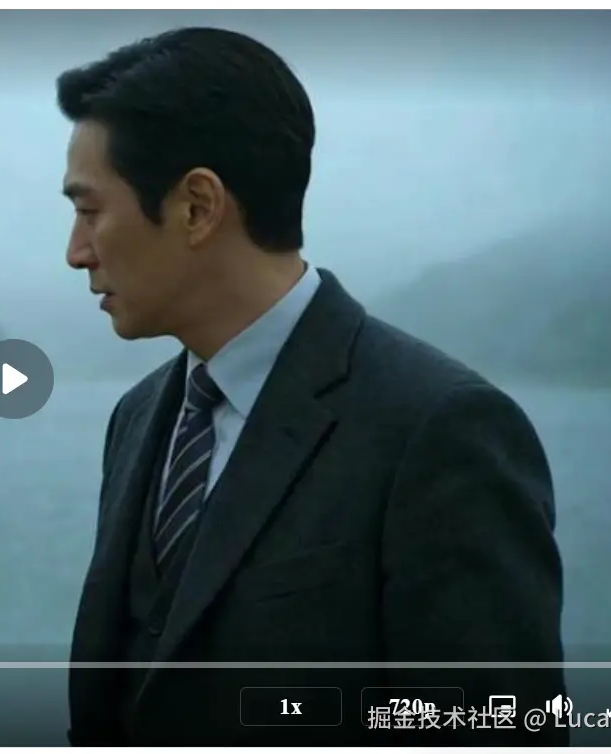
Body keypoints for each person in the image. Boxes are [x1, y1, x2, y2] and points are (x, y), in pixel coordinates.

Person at [57, 28, 567, 746]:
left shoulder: (439, 429)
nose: (75, 251)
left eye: (89, 211)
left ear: (198, 206)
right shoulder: (139, 416)